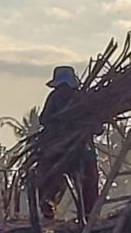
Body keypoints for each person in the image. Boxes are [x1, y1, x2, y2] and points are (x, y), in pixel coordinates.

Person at [38, 65, 99, 220]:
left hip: (81, 149)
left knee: (88, 182)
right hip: (59, 149)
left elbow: (97, 126)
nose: (63, 90)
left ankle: (88, 216)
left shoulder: (82, 99)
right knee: (49, 180)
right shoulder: (57, 98)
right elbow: (44, 120)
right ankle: (49, 211)